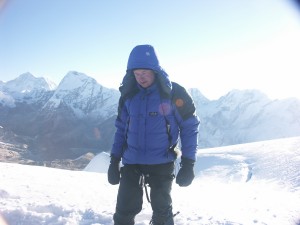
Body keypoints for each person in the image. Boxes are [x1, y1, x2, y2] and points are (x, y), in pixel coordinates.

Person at [107, 44, 200, 225]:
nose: (141, 78)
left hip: (162, 162)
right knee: (123, 213)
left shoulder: (174, 93)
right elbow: (120, 129)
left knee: (162, 214)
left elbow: (189, 127)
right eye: (136, 73)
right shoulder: (128, 94)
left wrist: (188, 164)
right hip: (132, 161)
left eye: (145, 72)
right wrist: (114, 161)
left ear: (155, 71)